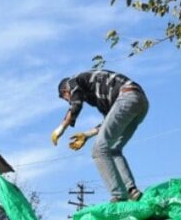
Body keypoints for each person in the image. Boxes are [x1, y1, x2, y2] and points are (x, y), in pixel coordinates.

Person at [52, 69, 149, 202]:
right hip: (140, 103)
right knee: (113, 149)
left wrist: (61, 128)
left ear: (65, 92)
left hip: (127, 97)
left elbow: (76, 104)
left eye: (66, 99)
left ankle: (119, 196)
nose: (69, 101)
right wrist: (86, 135)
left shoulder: (73, 81)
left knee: (98, 150)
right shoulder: (99, 94)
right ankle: (131, 191)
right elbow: (109, 121)